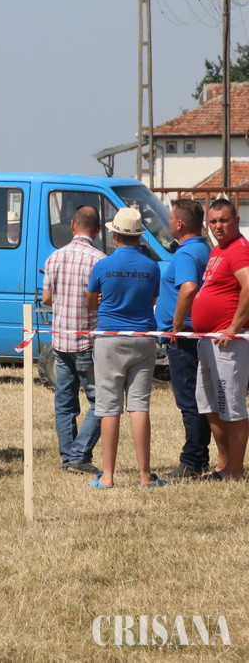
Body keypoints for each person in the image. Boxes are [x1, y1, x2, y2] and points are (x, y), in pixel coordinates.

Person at [86, 207, 162, 488]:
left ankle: (107, 476)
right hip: (143, 337)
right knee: (139, 405)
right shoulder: (152, 267)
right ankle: (145, 476)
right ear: (138, 236)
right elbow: (152, 299)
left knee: (109, 406)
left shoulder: (102, 265)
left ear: (115, 235)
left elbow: (91, 302)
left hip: (110, 338)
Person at [41, 206, 106, 475]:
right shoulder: (99, 260)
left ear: (72, 225)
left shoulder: (54, 257)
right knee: (101, 401)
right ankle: (79, 455)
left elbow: (46, 298)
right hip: (87, 340)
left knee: (64, 402)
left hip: (60, 339)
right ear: (98, 230)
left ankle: (68, 457)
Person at [190, 198, 249, 482]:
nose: (218, 226)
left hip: (229, 343)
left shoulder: (239, 249)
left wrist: (234, 326)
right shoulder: (217, 250)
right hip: (208, 340)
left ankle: (235, 471)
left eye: (223, 220)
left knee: (231, 406)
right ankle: (224, 465)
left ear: (236, 220)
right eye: (212, 222)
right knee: (210, 405)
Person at [156, 199, 212, 479]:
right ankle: (199, 457)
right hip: (196, 335)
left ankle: (192, 460)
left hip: (185, 337)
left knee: (189, 400)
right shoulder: (204, 248)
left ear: (179, 223)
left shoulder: (187, 253)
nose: (168, 222)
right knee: (200, 399)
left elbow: (188, 288)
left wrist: (175, 327)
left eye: (170, 218)